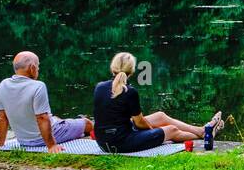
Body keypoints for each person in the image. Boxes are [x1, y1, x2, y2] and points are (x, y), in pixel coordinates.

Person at [93, 52, 223, 153]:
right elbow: (139, 123)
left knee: (160, 116)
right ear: (132, 71)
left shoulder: (99, 87)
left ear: (112, 68)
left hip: (103, 141)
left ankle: (202, 131)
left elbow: (132, 121)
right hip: (118, 144)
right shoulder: (130, 91)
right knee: (171, 130)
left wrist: (149, 128)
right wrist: (151, 131)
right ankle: (204, 136)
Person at [0, 51, 92, 152]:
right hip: (43, 139)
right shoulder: (38, 86)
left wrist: (0, 142)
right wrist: (51, 145)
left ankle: (64, 123)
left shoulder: (2, 85)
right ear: (32, 68)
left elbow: (2, 117)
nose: (38, 69)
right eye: (38, 66)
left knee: (56, 119)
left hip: (23, 140)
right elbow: (42, 118)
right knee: (86, 123)